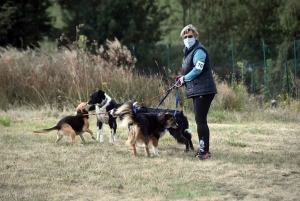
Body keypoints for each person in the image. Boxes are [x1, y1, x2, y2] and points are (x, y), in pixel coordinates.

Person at [178, 24, 217, 160]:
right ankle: (203, 148)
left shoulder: (199, 51)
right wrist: (182, 78)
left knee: (200, 120)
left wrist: (184, 78)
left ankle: (204, 150)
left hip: (204, 90)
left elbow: (197, 70)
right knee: (201, 120)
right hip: (198, 89)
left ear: (196, 36)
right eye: (185, 37)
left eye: (190, 36)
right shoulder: (188, 52)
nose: (188, 38)